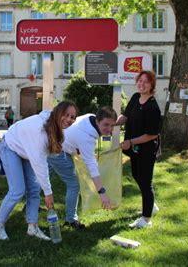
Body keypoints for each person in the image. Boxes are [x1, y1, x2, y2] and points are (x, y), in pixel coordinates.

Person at [0, 101, 78, 241]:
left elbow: (47, 153)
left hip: (26, 149)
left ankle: (33, 227)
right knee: (17, 190)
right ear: (58, 112)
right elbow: (40, 164)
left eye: (73, 117)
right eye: (67, 115)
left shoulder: (54, 125)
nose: (69, 120)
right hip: (11, 146)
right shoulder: (40, 131)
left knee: (34, 189)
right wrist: (48, 193)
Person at [47, 106, 117, 229]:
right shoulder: (87, 138)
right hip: (58, 151)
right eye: (106, 125)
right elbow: (92, 166)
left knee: (42, 178)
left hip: (55, 144)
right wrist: (102, 192)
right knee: (74, 184)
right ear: (97, 121)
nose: (109, 129)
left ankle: (31, 205)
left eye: (112, 126)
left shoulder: (90, 116)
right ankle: (70, 220)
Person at [115, 70, 161, 228]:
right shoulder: (135, 98)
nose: (142, 84)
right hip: (134, 148)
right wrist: (111, 123)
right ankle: (151, 205)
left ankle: (146, 220)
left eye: (146, 82)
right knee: (137, 175)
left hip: (147, 149)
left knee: (146, 181)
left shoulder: (152, 107)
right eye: (140, 81)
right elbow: (125, 117)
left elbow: (152, 134)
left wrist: (131, 141)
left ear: (152, 85)